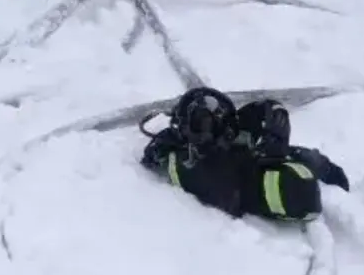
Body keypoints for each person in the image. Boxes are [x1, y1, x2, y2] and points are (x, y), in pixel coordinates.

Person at [141, 88, 351, 222]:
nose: (209, 130)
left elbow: (153, 155)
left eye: (207, 123)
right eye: (201, 124)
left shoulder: (201, 164)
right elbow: (273, 110)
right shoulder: (258, 163)